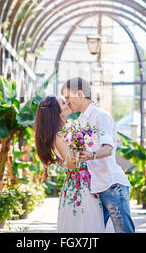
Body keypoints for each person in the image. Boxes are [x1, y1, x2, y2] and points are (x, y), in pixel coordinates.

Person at [61, 77, 136, 233]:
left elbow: (108, 148)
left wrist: (90, 155)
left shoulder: (100, 115)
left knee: (124, 231)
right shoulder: (80, 120)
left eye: (68, 97)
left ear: (80, 94)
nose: (67, 101)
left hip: (111, 185)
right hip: (94, 187)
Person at [34, 96, 105, 233]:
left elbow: (63, 161)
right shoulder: (59, 136)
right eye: (63, 102)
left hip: (78, 184)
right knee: (86, 226)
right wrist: (81, 148)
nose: (67, 102)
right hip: (81, 187)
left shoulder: (64, 132)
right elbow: (71, 164)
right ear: (55, 111)